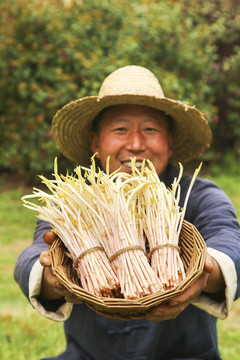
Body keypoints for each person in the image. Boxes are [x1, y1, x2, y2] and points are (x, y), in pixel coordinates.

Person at [15, 65, 240, 360]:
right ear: (96, 143)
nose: (135, 145)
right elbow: (31, 257)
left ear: (170, 142)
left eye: (150, 129)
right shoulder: (74, 203)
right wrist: (51, 278)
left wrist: (202, 272)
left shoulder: (195, 194)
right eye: (120, 129)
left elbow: (231, 242)